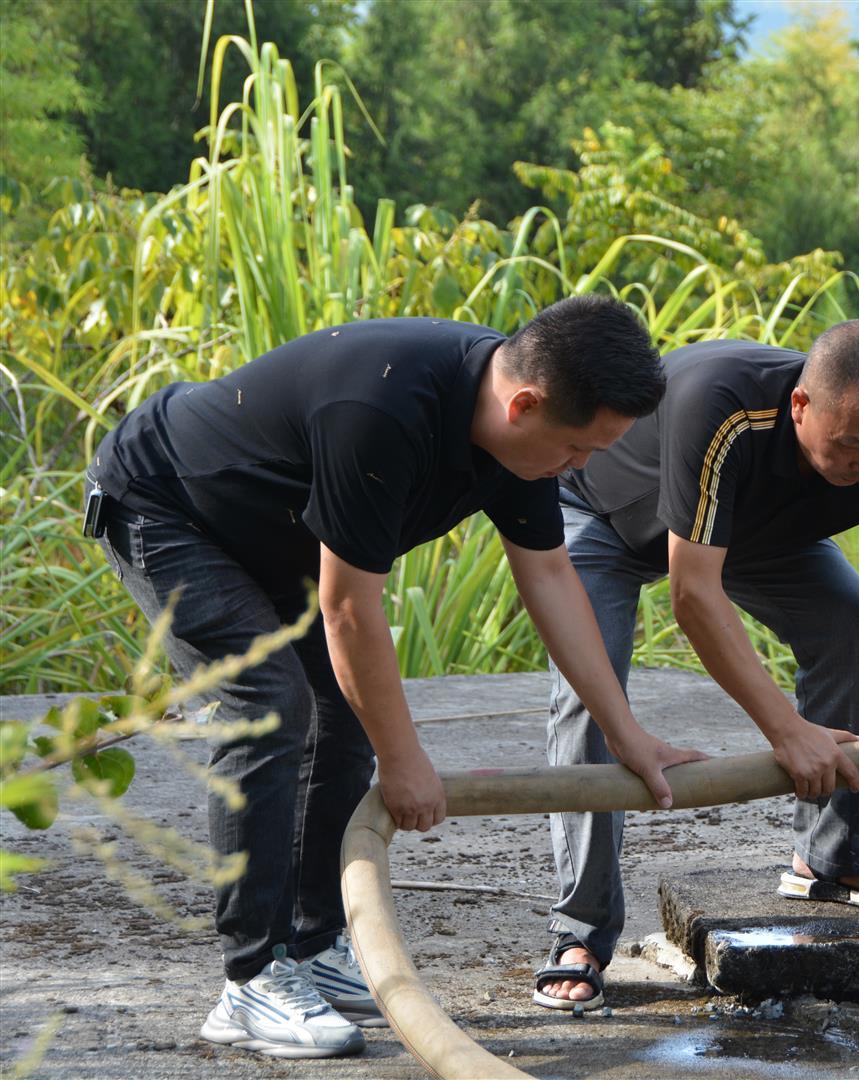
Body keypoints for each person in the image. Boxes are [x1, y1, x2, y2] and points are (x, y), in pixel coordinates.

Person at [87, 297, 705, 1058]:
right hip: (168, 507)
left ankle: (313, 948)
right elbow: (349, 611)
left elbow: (550, 577)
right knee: (270, 706)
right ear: (525, 403)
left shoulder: (522, 436)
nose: (578, 471)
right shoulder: (382, 411)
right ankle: (250, 980)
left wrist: (626, 733)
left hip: (274, 532)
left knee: (341, 722)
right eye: (578, 450)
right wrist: (404, 759)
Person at [535, 320, 859, 1011]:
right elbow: (693, 595)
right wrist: (788, 730)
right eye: (849, 444)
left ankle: (832, 858)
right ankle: (580, 931)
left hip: (754, 533)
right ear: (800, 407)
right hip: (605, 515)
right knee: (591, 688)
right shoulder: (724, 407)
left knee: (851, 625)